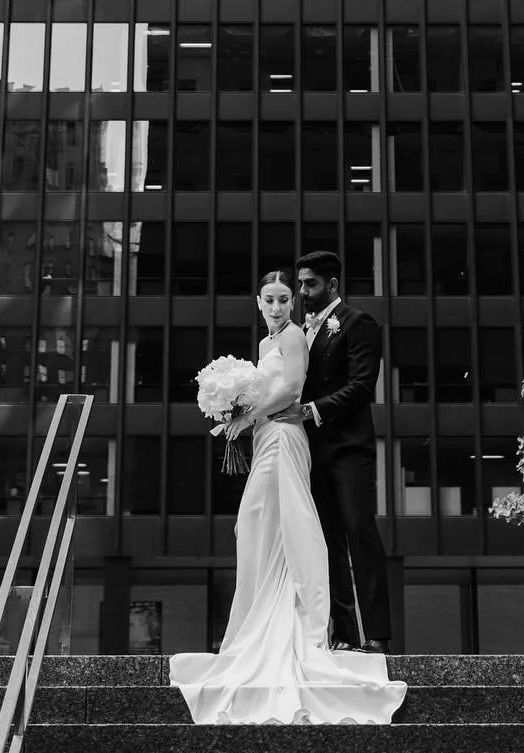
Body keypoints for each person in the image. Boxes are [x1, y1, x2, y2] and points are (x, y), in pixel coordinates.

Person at [169, 270, 405, 725]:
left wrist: (246, 417)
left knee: (269, 521)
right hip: (265, 437)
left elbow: (292, 390)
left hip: (284, 436)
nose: (277, 307)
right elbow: (267, 390)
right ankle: (267, 618)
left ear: (292, 303)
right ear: (258, 302)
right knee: (262, 527)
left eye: (283, 299)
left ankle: (306, 623)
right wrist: (237, 409)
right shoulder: (264, 344)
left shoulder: (295, 336)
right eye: (269, 300)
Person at [296, 249, 393, 652]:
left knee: (360, 533)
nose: (303, 291)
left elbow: (361, 386)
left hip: (350, 450)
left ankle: (378, 636)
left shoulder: (358, 323)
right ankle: (344, 634)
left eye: (311, 284)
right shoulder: (297, 333)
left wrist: (310, 410)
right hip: (312, 453)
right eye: (301, 284)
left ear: (332, 284)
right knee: (328, 543)